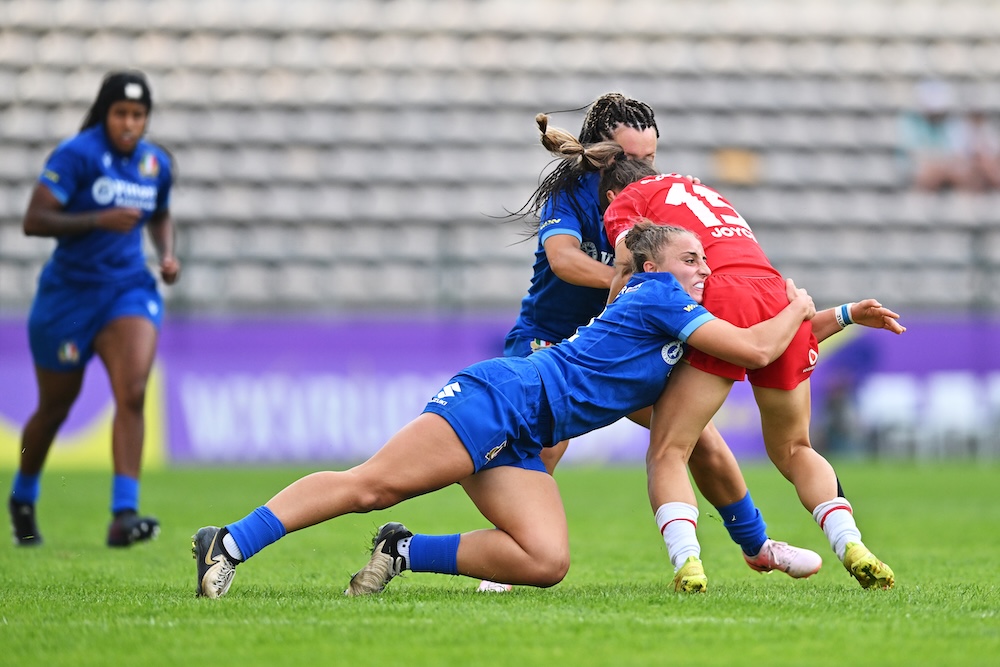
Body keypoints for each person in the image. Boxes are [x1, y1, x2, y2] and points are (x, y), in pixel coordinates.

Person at [192, 223, 902, 599]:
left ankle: (401, 549)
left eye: (702, 259)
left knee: (546, 559)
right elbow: (755, 345)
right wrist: (799, 304)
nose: (704, 269)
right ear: (654, 268)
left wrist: (837, 314)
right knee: (371, 481)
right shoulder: (659, 300)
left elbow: (766, 349)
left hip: (527, 434)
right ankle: (230, 542)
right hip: (498, 399)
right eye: (691, 258)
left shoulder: (676, 317)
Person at [483, 95, 822, 593]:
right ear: (600, 153)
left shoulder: (654, 198)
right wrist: (637, 284)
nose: (641, 168)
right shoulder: (572, 195)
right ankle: (511, 555)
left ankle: (758, 546)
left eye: (650, 157)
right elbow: (563, 262)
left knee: (697, 439)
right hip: (553, 341)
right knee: (547, 444)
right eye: (629, 156)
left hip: (626, 344)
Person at [601, 157, 903, 590]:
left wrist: (606, 327)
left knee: (670, 448)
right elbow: (760, 309)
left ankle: (688, 563)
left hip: (720, 291)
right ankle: (851, 544)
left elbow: (628, 267)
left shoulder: (628, 199)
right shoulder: (703, 191)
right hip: (778, 293)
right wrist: (844, 314)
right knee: (796, 448)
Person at [7, 70, 180, 547]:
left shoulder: (154, 165)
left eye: (138, 115)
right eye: (121, 113)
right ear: (105, 115)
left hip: (127, 291)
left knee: (133, 389)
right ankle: (23, 494)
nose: (129, 123)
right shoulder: (77, 155)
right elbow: (34, 220)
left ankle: (123, 514)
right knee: (55, 408)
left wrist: (165, 253)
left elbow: (161, 212)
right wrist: (97, 219)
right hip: (69, 298)